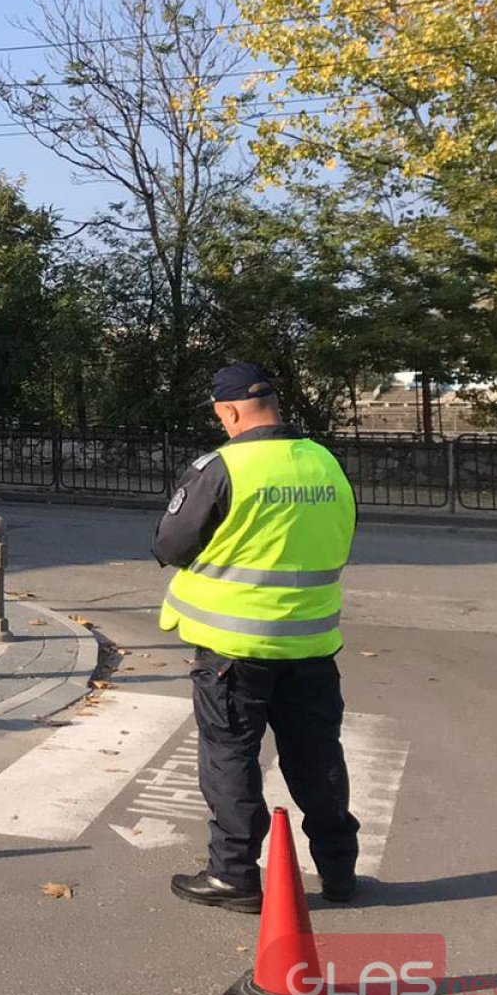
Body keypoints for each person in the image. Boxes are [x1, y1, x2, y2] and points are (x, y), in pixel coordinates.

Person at [155, 361, 361, 915]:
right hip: (312, 645)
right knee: (318, 759)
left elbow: (171, 545)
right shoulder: (324, 462)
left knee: (231, 759)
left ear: (229, 411)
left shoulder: (223, 466)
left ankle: (234, 877)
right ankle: (340, 872)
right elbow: (344, 534)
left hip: (234, 649)